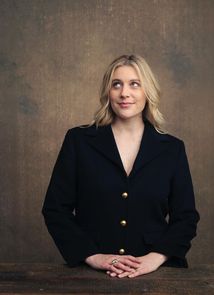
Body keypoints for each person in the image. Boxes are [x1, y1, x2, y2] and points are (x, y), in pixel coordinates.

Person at [42, 54, 200, 278]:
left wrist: (155, 258)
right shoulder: (79, 141)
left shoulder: (172, 149)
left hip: (156, 274)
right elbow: (55, 210)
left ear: (148, 91)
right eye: (117, 84)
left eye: (134, 84)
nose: (124, 93)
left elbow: (186, 217)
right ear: (108, 92)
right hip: (91, 273)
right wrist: (93, 257)